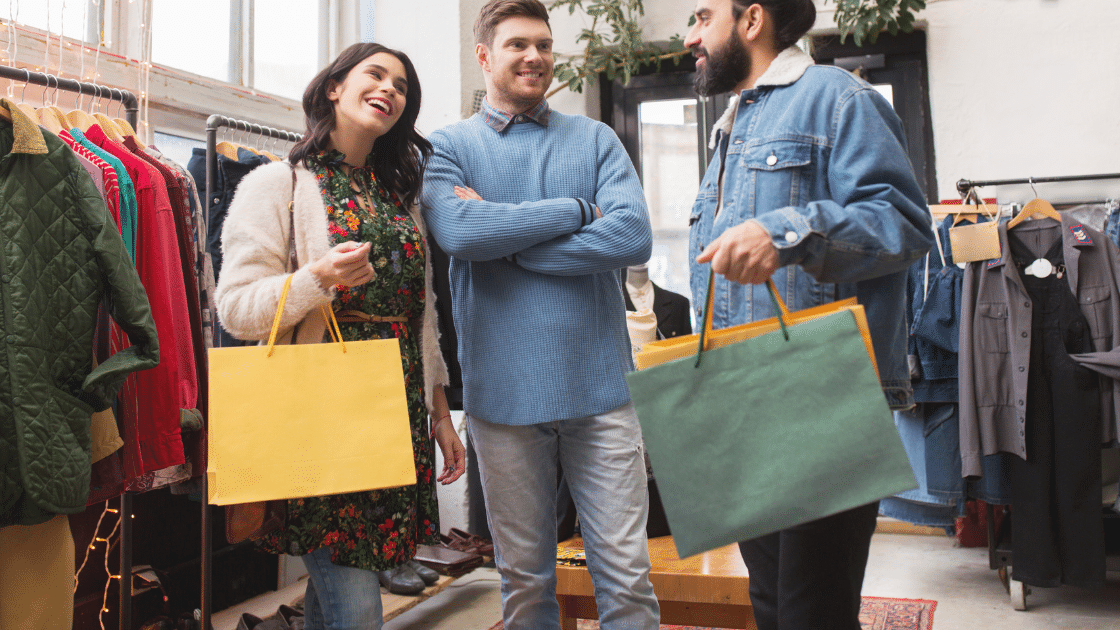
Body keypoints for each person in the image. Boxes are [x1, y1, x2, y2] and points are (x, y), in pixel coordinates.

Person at [682, 1, 933, 629]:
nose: (690, 35)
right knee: (769, 603)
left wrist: (788, 231)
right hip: (742, 398)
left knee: (811, 611)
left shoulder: (839, 99)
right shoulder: (731, 127)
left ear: (752, 20)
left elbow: (904, 225)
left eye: (703, 15)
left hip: (825, 397)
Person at [419, 0, 661, 627]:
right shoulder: (447, 147)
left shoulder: (596, 138)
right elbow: (463, 233)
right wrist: (580, 211)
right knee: (524, 580)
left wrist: (515, 249)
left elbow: (633, 238)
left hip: (601, 391)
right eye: (518, 44)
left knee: (626, 575)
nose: (535, 57)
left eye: (545, 46)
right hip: (503, 399)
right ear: (484, 56)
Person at [215, 42, 466, 630]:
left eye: (401, 85)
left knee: (334, 601)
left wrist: (440, 412)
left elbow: (420, 315)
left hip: (394, 411)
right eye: (375, 74)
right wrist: (315, 280)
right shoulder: (278, 183)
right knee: (358, 609)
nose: (390, 90)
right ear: (334, 87)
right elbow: (234, 308)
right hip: (322, 414)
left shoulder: (399, 196)